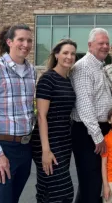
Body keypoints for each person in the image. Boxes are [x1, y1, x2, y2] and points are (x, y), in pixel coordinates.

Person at [0, 24, 36, 203]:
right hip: (3, 147)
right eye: (21, 40)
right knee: (0, 199)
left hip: (25, 147)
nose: (25, 44)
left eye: (29, 40)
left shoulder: (31, 70)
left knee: (13, 199)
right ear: (9, 41)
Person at [71, 28, 112, 203]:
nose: (105, 46)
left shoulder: (99, 66)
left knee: (91, 184)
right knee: (92, 182)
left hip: (98, 129)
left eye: (107, 43)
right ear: (90, 45)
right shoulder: (83, 67)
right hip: (88, 132)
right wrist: (98, 136)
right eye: (100, 43)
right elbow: (84, 105)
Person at [31, 39, 77, 203]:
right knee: (60, 192)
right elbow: (41, 116)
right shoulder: (47, 79)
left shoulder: (68, 80)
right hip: (47, 141)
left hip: (64, 141)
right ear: (56, 54)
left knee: (51, 189)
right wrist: (45, 150)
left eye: (72, 53)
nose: (69, 57)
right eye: (65, 52)